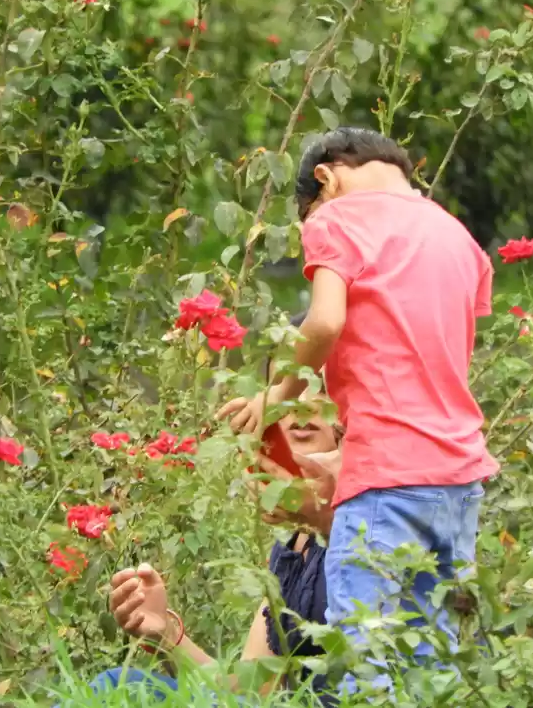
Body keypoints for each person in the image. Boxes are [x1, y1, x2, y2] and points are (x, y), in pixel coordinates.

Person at [217, 127, 498, 692]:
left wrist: (274, 398)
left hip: (385, 479)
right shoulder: (457, 236)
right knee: (434, 665)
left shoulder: (337, 218)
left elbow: (323, 322)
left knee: (363, 666)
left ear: (325, 177)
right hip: (459, 478)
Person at [87, 400, 340, 705]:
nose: (302, 406)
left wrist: (328, 521)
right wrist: (166, 633)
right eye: (288, 392)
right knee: (118, 683)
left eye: (318, 389)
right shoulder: (290, 547)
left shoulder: (372, 519)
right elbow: (248, 691)